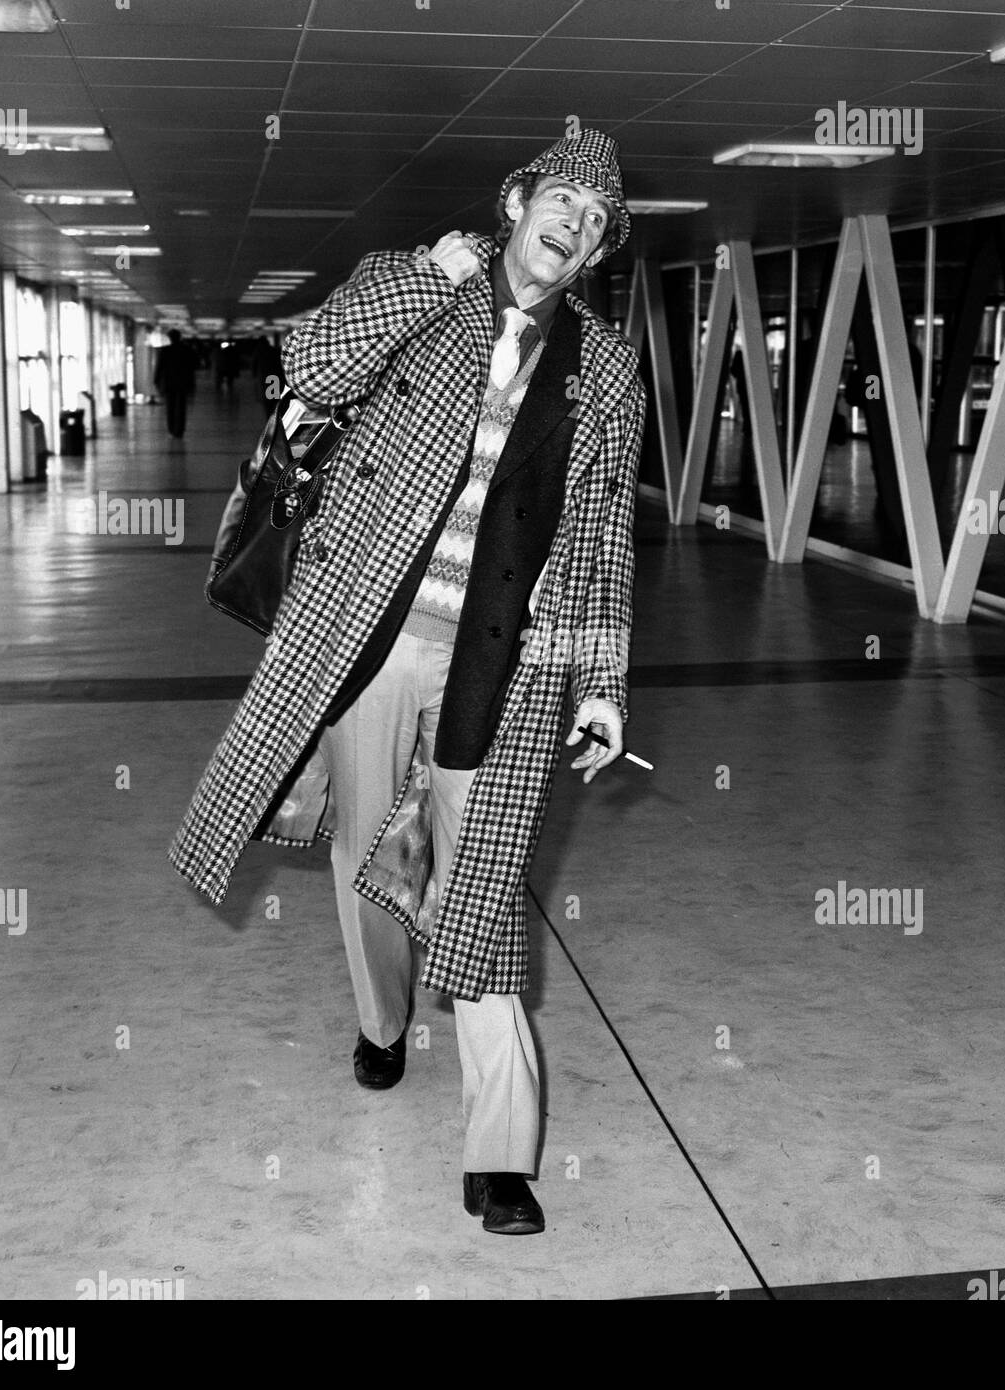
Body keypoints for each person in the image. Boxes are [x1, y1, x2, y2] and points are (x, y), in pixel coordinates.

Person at [168, 130, 646, 1236]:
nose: (571, 228)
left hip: (502, 658)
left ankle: (500, 1156)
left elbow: (599, 529)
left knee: (480, 882)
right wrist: (432, 274)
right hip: (363, 631)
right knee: (362, 856)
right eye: (560, 200)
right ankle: (381, 1019)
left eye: (594, 222)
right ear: (518, 200)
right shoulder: (416, 283)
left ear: (595, 252)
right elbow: (314, 366)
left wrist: (602, 678)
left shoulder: (605, 366)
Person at [153, 329, 196, 439]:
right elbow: (191, 368)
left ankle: (171, 429)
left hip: (169, 382)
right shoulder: (186, 350)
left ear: (170, 338)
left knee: (170, 407)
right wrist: (192, 384)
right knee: (181, 407)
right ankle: (180, 430)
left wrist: (156, 380)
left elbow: (159, 367)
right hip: (182, 382)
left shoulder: (165, 350)